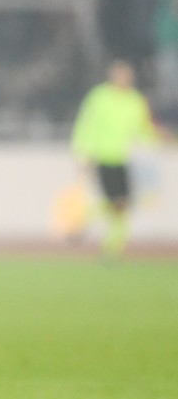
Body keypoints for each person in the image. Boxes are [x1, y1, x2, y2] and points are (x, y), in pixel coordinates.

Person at [71, 59, 164, 258]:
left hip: (123, 158)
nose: (123, 79)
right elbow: (85, 125)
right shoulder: (99, 97)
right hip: (103, 157)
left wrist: (161, 138)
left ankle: (95, 228)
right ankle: (109, 243)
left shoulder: (135, 101)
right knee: (117, 203)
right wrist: (82, 152)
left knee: (120, 204)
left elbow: (143, 130)